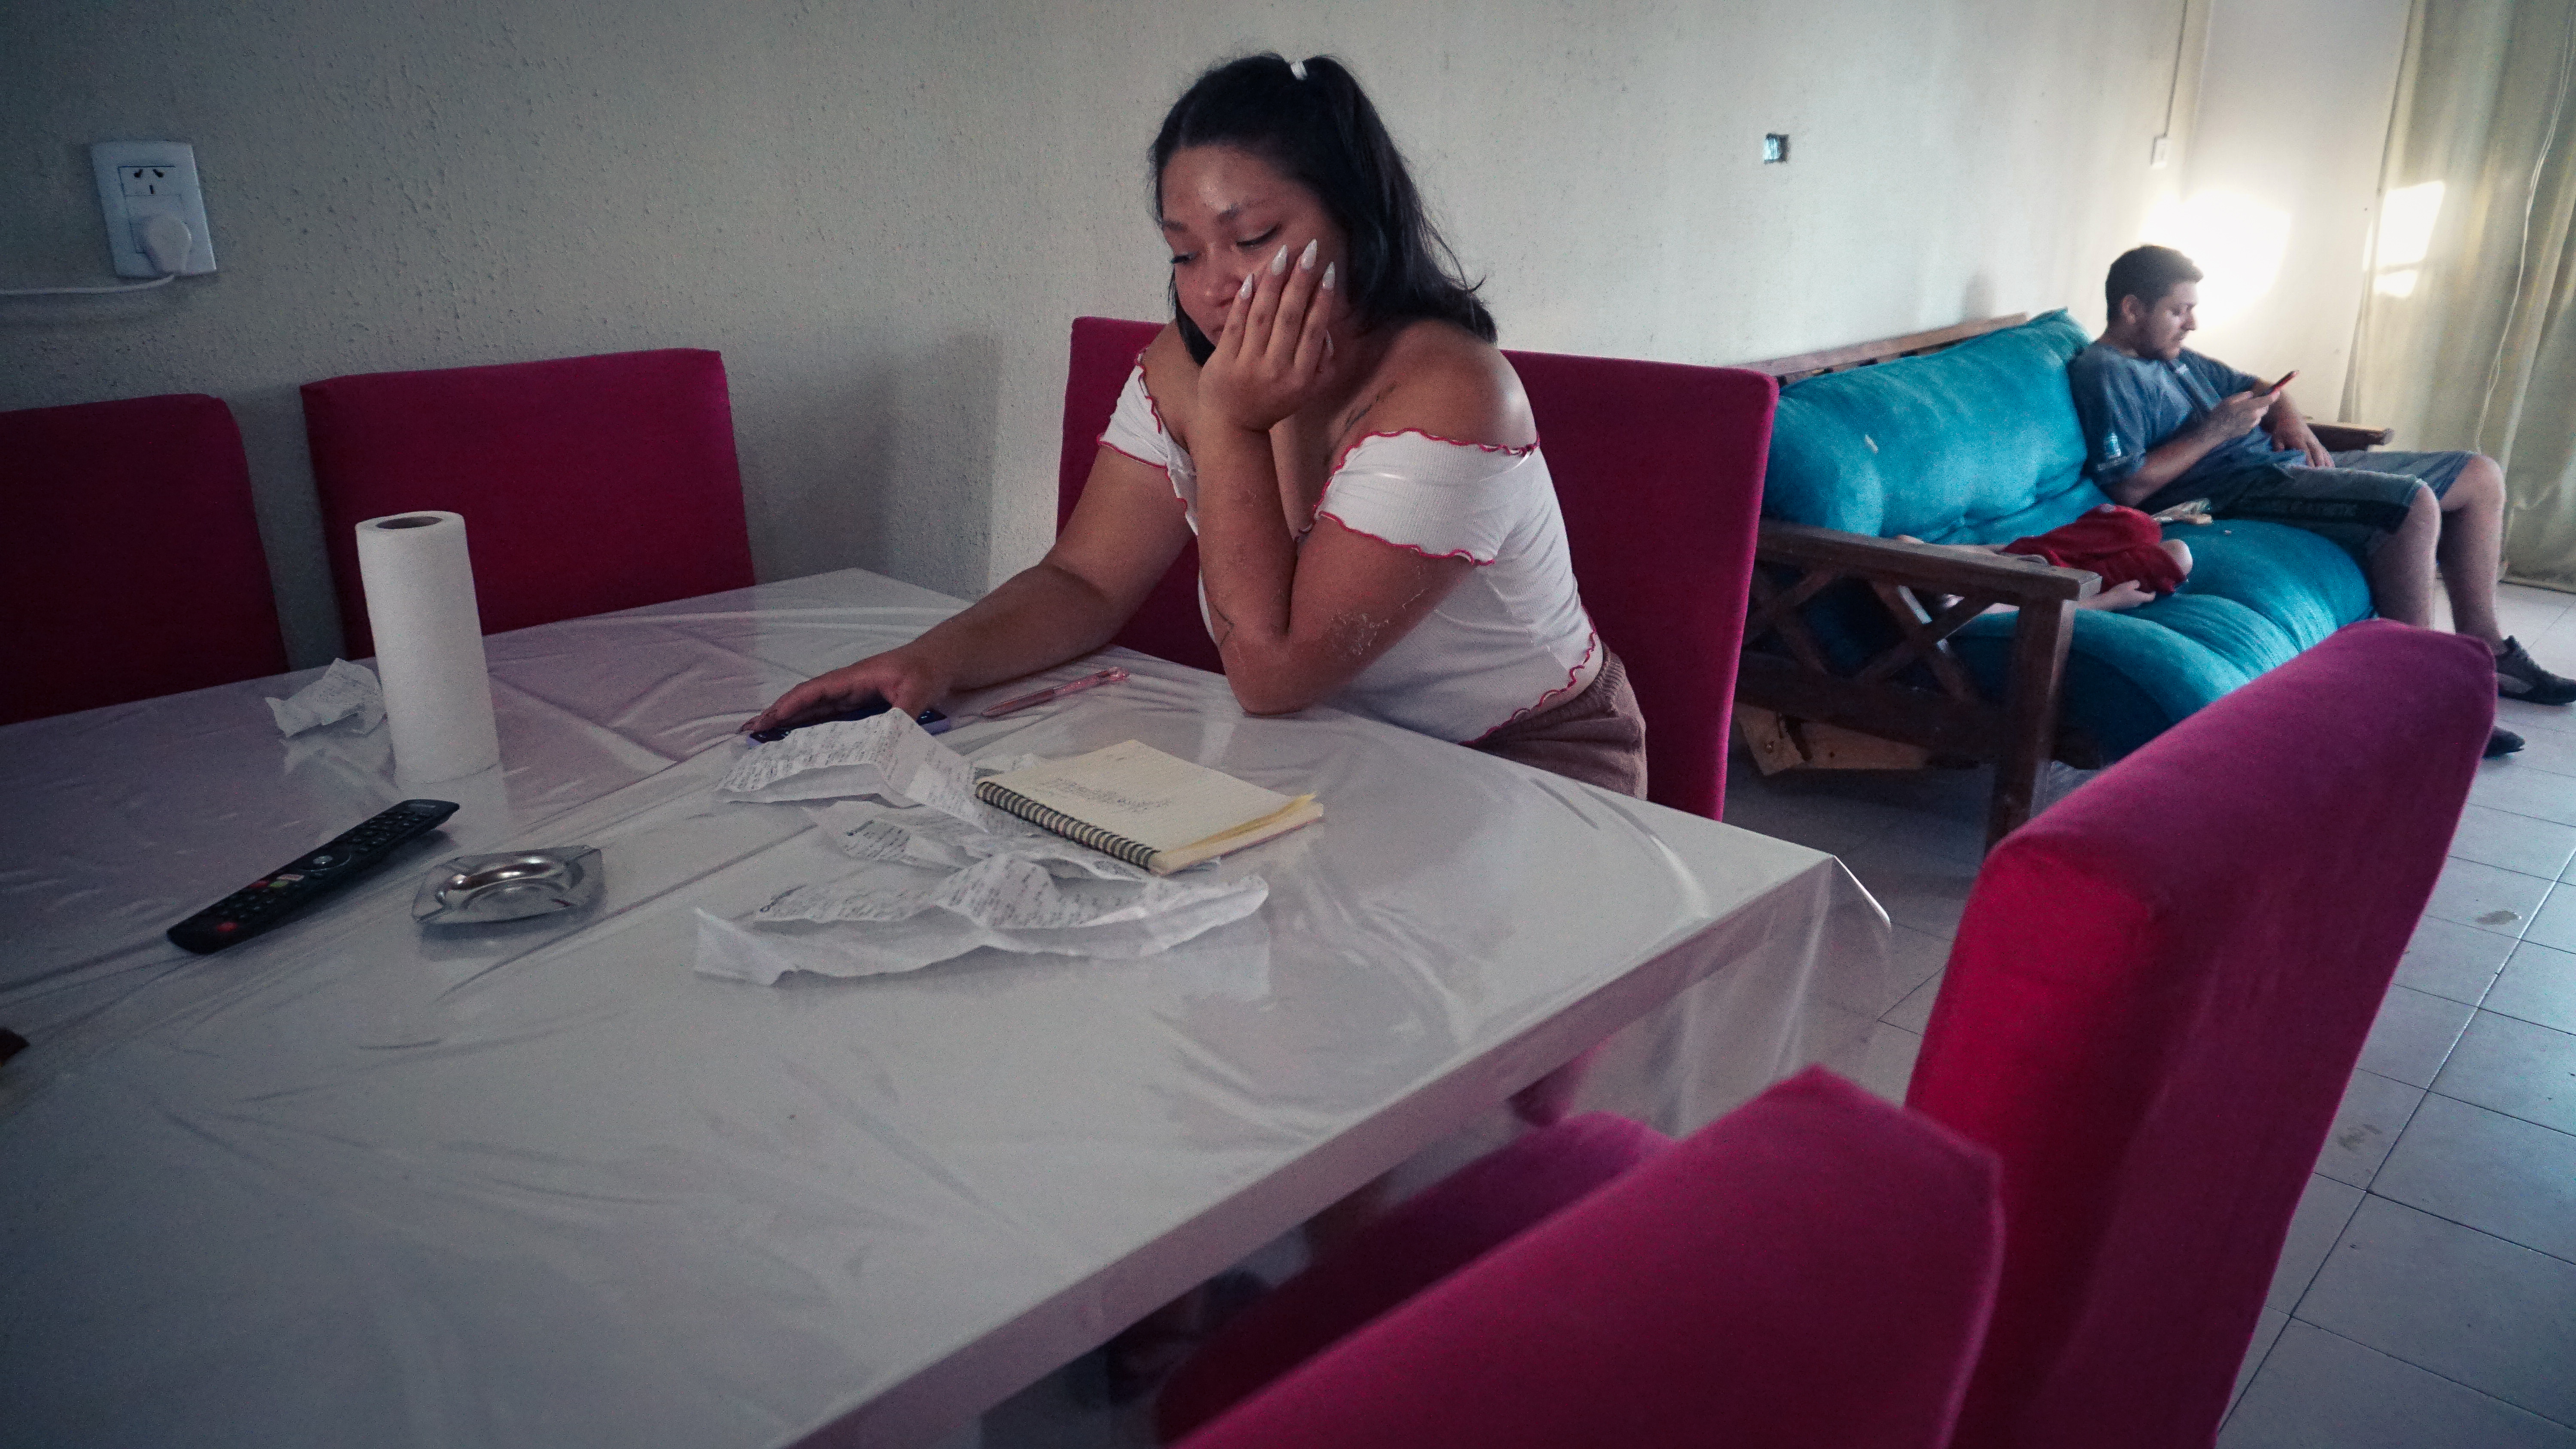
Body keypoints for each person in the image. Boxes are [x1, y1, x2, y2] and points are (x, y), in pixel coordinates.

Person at [746, 52, 1642, 794]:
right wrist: (934, 659)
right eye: (1183, 250)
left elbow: (1270, 671)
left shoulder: (1453, 390)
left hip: (1526, 767)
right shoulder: (1185, 365)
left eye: (1250, 238)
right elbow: (1085, 580)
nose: (1212, 285)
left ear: (1357, 222)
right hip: (1332, 751)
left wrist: (1230, 423)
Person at [2067, 245, 2574, 757]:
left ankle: (2487, 646)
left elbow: (2263, 387)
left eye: (2193, 310)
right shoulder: (2106, 372)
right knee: (2410, 504)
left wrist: (2290, 419)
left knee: (2480, 475)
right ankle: (2420, 700)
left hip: (2285, 466)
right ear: (2132, 309)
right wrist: (2212, 433)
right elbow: (2128, 485)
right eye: (2179, 311)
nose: (2192, 324)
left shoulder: (2174, 357)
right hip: (2236, 490)